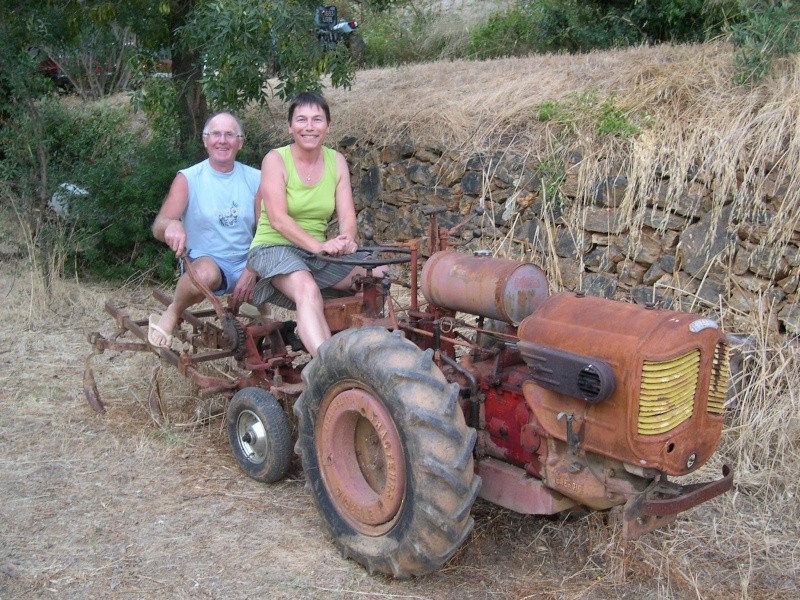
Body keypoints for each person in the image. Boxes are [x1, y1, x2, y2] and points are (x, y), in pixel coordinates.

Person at [249, 92, 381, 356]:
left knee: (377, 277)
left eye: (317, 120)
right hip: (273, 247)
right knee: (307, 289)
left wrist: (347, 239)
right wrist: (319, 246)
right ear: (290, 126)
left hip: (314, 252)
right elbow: (277, 219)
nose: (309, 127)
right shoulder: (275, 159)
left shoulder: (337, 161)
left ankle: (366, 353)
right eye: (301, 119)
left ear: (327, 126)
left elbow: (347, 216)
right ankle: (327, 368)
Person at [148, 112, 261, 348]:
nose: (222, 140)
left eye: (230, 134)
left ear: (240, 142)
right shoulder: (189, 178)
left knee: (279, 261)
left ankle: (257, 304)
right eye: (216, 134)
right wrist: (172, 225)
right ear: (205, 140)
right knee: (207, 274)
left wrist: (254, 267)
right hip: (205, 260)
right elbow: (159, 225)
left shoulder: (256, 178)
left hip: (245, 260)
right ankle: (173, 310)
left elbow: (267, 228)